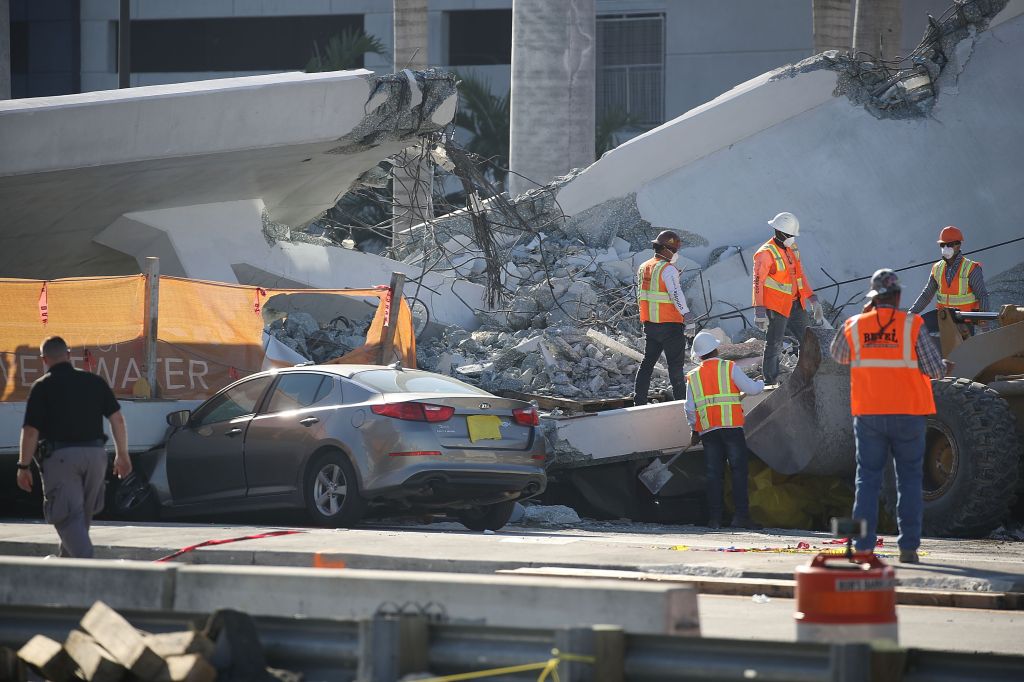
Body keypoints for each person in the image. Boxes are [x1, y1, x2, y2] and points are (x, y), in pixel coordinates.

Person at [829, 270, 950, 564]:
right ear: (896, 297)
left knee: (867, 481)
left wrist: (863, 322)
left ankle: (863, 547)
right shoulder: (912, 325)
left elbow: (838, 355)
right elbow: (935, 370)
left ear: (872, 298)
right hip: (908, 414)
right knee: (909, 480)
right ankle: (908, 548)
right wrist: (943, 364)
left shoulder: (855, 325)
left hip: (869, 415)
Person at [15, 336, 132, 558]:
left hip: (61, 459)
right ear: (69, 355)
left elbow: (31, 431)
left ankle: (88, 572)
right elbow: (117, 419)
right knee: (80, 520)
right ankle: (66, 570)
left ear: (44, 359)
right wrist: (122, 455)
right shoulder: (94, 382)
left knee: (67, 518)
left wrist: (23, 465)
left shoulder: (42, 386)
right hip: (96, 456)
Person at [684, 331, 765, 529]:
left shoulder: (693, 377)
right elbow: (753, 390)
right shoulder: (729, 367)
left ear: (699, 355)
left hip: (708, 431)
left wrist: (695, 431)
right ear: (716, 349)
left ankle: (715, 520)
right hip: (731, 428)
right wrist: (761, 383)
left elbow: (689, 408)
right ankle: (741, 517)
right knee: (738, 472)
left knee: (714, 475)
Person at [752, 212, 824, 384]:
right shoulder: (765, 254)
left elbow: (800, 277)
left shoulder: (793, 250)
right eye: (790, 235)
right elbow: (757, 284)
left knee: (808, 340)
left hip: (796, 304)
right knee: (774, 344)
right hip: (776, 307)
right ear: (780, 232)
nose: (792, 238)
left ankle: (808, 376)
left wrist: (812, 299)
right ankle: (770, 381)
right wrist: (760, 311)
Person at [634, 230, 697, 405]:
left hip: (650, 325)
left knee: (647, 364)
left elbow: (644, 294)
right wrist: (688, 316)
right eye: (675, 250)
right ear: (667, 249)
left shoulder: (644, 267)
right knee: (675, 368)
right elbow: (675, 294)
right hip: (670, 326)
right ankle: (681, 404)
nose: (676, 254)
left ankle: (638, 401)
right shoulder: (667, 269)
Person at [910, 225, 989, 315]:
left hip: (965, 323)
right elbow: (926, 296)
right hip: (944, 321)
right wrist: (911, 313)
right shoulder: (937, 268)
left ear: (958, 245)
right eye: (942, 245)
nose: (945, 248)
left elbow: (982, 296)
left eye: (950, 245)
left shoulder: (971, 268)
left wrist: (983, 323)